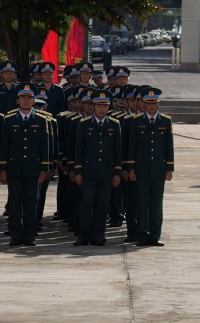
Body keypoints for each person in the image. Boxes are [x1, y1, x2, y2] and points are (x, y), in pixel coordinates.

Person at [0, 83, 53, 247]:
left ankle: (29, 235)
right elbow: (4, 147)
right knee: (14, 204)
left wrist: (44, 168)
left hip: (33, 169)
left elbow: (45, 146)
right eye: (23, 97)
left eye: (29, 98)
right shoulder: (9, 120)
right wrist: (3, 169)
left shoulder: (42, 120)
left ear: (33, 100)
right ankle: (15, 235)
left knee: (31, 203)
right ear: (17, 101)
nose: (26, 100)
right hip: (14, 169)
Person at [72, 89, 123, 247]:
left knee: (102, 204)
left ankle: (98, 235)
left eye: (105, 106)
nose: (102, 109)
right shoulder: (84, 124)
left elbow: (118, 151)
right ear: (93, 106)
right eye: (99, 106)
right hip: (88, 172)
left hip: (106, 172)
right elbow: (79, 149)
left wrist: (117, 172)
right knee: (86, 203)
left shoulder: (114, 124)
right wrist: (78, 171)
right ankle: (83, 235)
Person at [126, 87, 173, 247]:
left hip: (159, 168)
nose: (151, 106)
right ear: (144, 104)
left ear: (158, 104)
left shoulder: (165, 121)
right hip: (142, 168)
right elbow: (132, 146)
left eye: (154, 103)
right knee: (142, 202)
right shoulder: (137, 121)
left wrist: (169, 168)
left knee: (156, 203)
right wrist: (131, 168)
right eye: (148, 103)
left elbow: (169, 147)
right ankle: (142, 235)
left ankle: (155, 235)